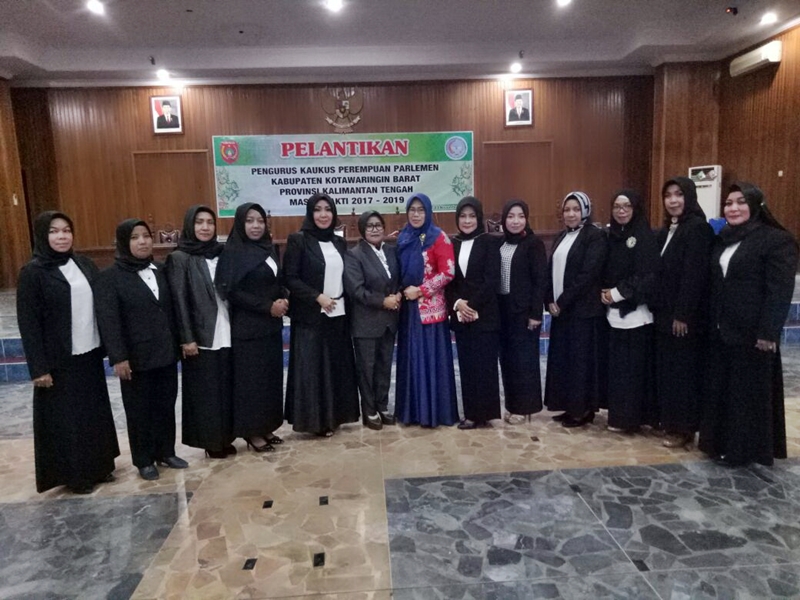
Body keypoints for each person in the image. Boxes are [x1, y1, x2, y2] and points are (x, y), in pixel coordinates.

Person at [16, 212, 119, 494]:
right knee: (67, 419)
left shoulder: (83, 264)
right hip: (58, 360)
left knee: (93, 412)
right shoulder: (33, 273)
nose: (62, 236)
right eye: (54, 231)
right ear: (42, 235)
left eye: (66, 230)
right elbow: (29, 323)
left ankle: (99, 465)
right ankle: (75, 475)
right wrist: (38, 368)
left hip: (89, 352)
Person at [699, 182, 798, 467]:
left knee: (746, 394)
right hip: (723, 329)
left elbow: (779, 290)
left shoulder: (775, 240)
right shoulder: (724, 239)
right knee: (723, 390)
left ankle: (742, 451)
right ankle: (718, 443)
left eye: (740, 202)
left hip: (753, 334)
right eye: (728, 203)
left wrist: (768, 331)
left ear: (755, 206)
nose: (733, 208)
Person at [94, 219, 186, 481]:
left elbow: (171, 309)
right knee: (139, 410)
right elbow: (109, 320)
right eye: (135, 237)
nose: (143, 242)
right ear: (124, 242)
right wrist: (118, 357)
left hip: (165, 352)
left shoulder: (160, 270)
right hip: (135, 358)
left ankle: (166, 451)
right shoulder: (110, 277)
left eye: (146, 236)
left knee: (165, 405)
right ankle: (144, 459)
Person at [284, 193, 359, 436]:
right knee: (314, 370)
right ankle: (315, 422)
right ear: (310, 213)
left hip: (338, 313)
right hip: (311, 315)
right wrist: (317, 297)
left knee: (336, 367)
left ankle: (336, 416)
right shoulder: (298, 240)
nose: (323, 214)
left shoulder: (339, 242)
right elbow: (290, 278)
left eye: (328, 209)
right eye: (318, 209)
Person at [215, 203, 288, 452]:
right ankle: (251, 431)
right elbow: (232, 291)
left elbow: (277, 280)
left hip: (271, 327)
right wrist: (267, 306)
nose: (256, 226)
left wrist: (284, 297)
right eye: (249, 221)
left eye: (260, 220)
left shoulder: (269, 248)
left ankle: (266, 426)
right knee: (251, 383)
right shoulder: (233, 252)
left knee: (269, 380)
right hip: (248, 329)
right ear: (240, 223)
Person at [166, 205, 236, 459]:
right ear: (189, 225)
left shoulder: (222, 252)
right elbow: (179, 300)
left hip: (226, 327)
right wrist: (187, 338)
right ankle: (211, 441)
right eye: (199, 222)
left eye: (209, 222)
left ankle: (226, 437)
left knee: (226, 387)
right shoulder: (180, 258)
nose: (205, 227)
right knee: (205, 391)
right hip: (200, 335)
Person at [652, 178, 714, 448]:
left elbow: (694, 275)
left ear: (689, 197)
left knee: (683, 374)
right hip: (665, 314)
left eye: (679, 194)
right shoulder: (669, 229)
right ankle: (671, 423)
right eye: (668, 195)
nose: (673, 200)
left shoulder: (698, 228)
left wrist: (683, 314)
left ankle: (684, 428)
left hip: (683, 319)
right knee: (669, 371)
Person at [544, 192, 609, 428]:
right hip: (562, 312)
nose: (571, 214)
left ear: (585, 211)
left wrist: (561, 301)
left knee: (581, 363)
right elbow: (551, 270)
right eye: (567, 209)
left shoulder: (595, 236)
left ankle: (583, 411)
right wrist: (549, 300)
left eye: (576, 209)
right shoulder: (562, 235)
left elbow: (587, 275)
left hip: (583, 311)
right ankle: (569, 406)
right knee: (565, 361)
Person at [395, 193, 459, 427]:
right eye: (412, 210)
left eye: (421, 210)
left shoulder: (438, 237)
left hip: (430, 310)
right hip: (408, 310)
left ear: (429, 212)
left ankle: (433, 412)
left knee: (430, 361)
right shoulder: (403, 237)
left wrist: (421, 290)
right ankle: (412, 412)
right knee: (411, 359)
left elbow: (448, 272)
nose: (416, 214)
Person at [601, 190, 659, 434]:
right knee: (618, 371)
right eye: (616, 206)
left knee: (634, 371)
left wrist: (617, 293)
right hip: (613, 313)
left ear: (636, 209)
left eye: (626, 206)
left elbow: (647, 275)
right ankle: (619, 417)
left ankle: (633, 418)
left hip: (636, 314)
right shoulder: (612, 236)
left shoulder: (644, 237)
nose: (621, 211)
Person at [445, 196, 501, 429]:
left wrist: (472, 305)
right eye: (462, 216)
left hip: (485, 314)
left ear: (479, 218)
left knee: (485, 366)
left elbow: (492, 279)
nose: (467, 221)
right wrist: (458, 304)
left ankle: (485, 414)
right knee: (467, 366)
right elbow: (449, 280)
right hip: (462, 316)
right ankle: (470, 414)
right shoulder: (452, 243)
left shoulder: (489, 242)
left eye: (471, 216)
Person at [344, 210, 401, 430]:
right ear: (362, 229)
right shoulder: (354, 255)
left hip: (389, 321)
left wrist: (398, 294)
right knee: (367, 370)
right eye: (370, 226)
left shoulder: (391, 251)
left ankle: (382, 406)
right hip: (366, 322)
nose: (375, 229)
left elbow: (398, 278)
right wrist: (383, 301)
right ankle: (369, 411)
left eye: (378, 225)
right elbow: (356, 290)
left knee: (385, 366)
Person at [496, 199, 547, 424]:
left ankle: (525, 407)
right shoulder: (501, 243)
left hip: (524, 313)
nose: (515, 221)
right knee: (507, 360)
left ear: (526, 219)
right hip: (504, 310)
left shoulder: (533, 244)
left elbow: (540, 281)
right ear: (504, 219)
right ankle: (512, 405)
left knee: (524, 362)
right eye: (510, 216)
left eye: (520, 216)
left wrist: (536, 314)